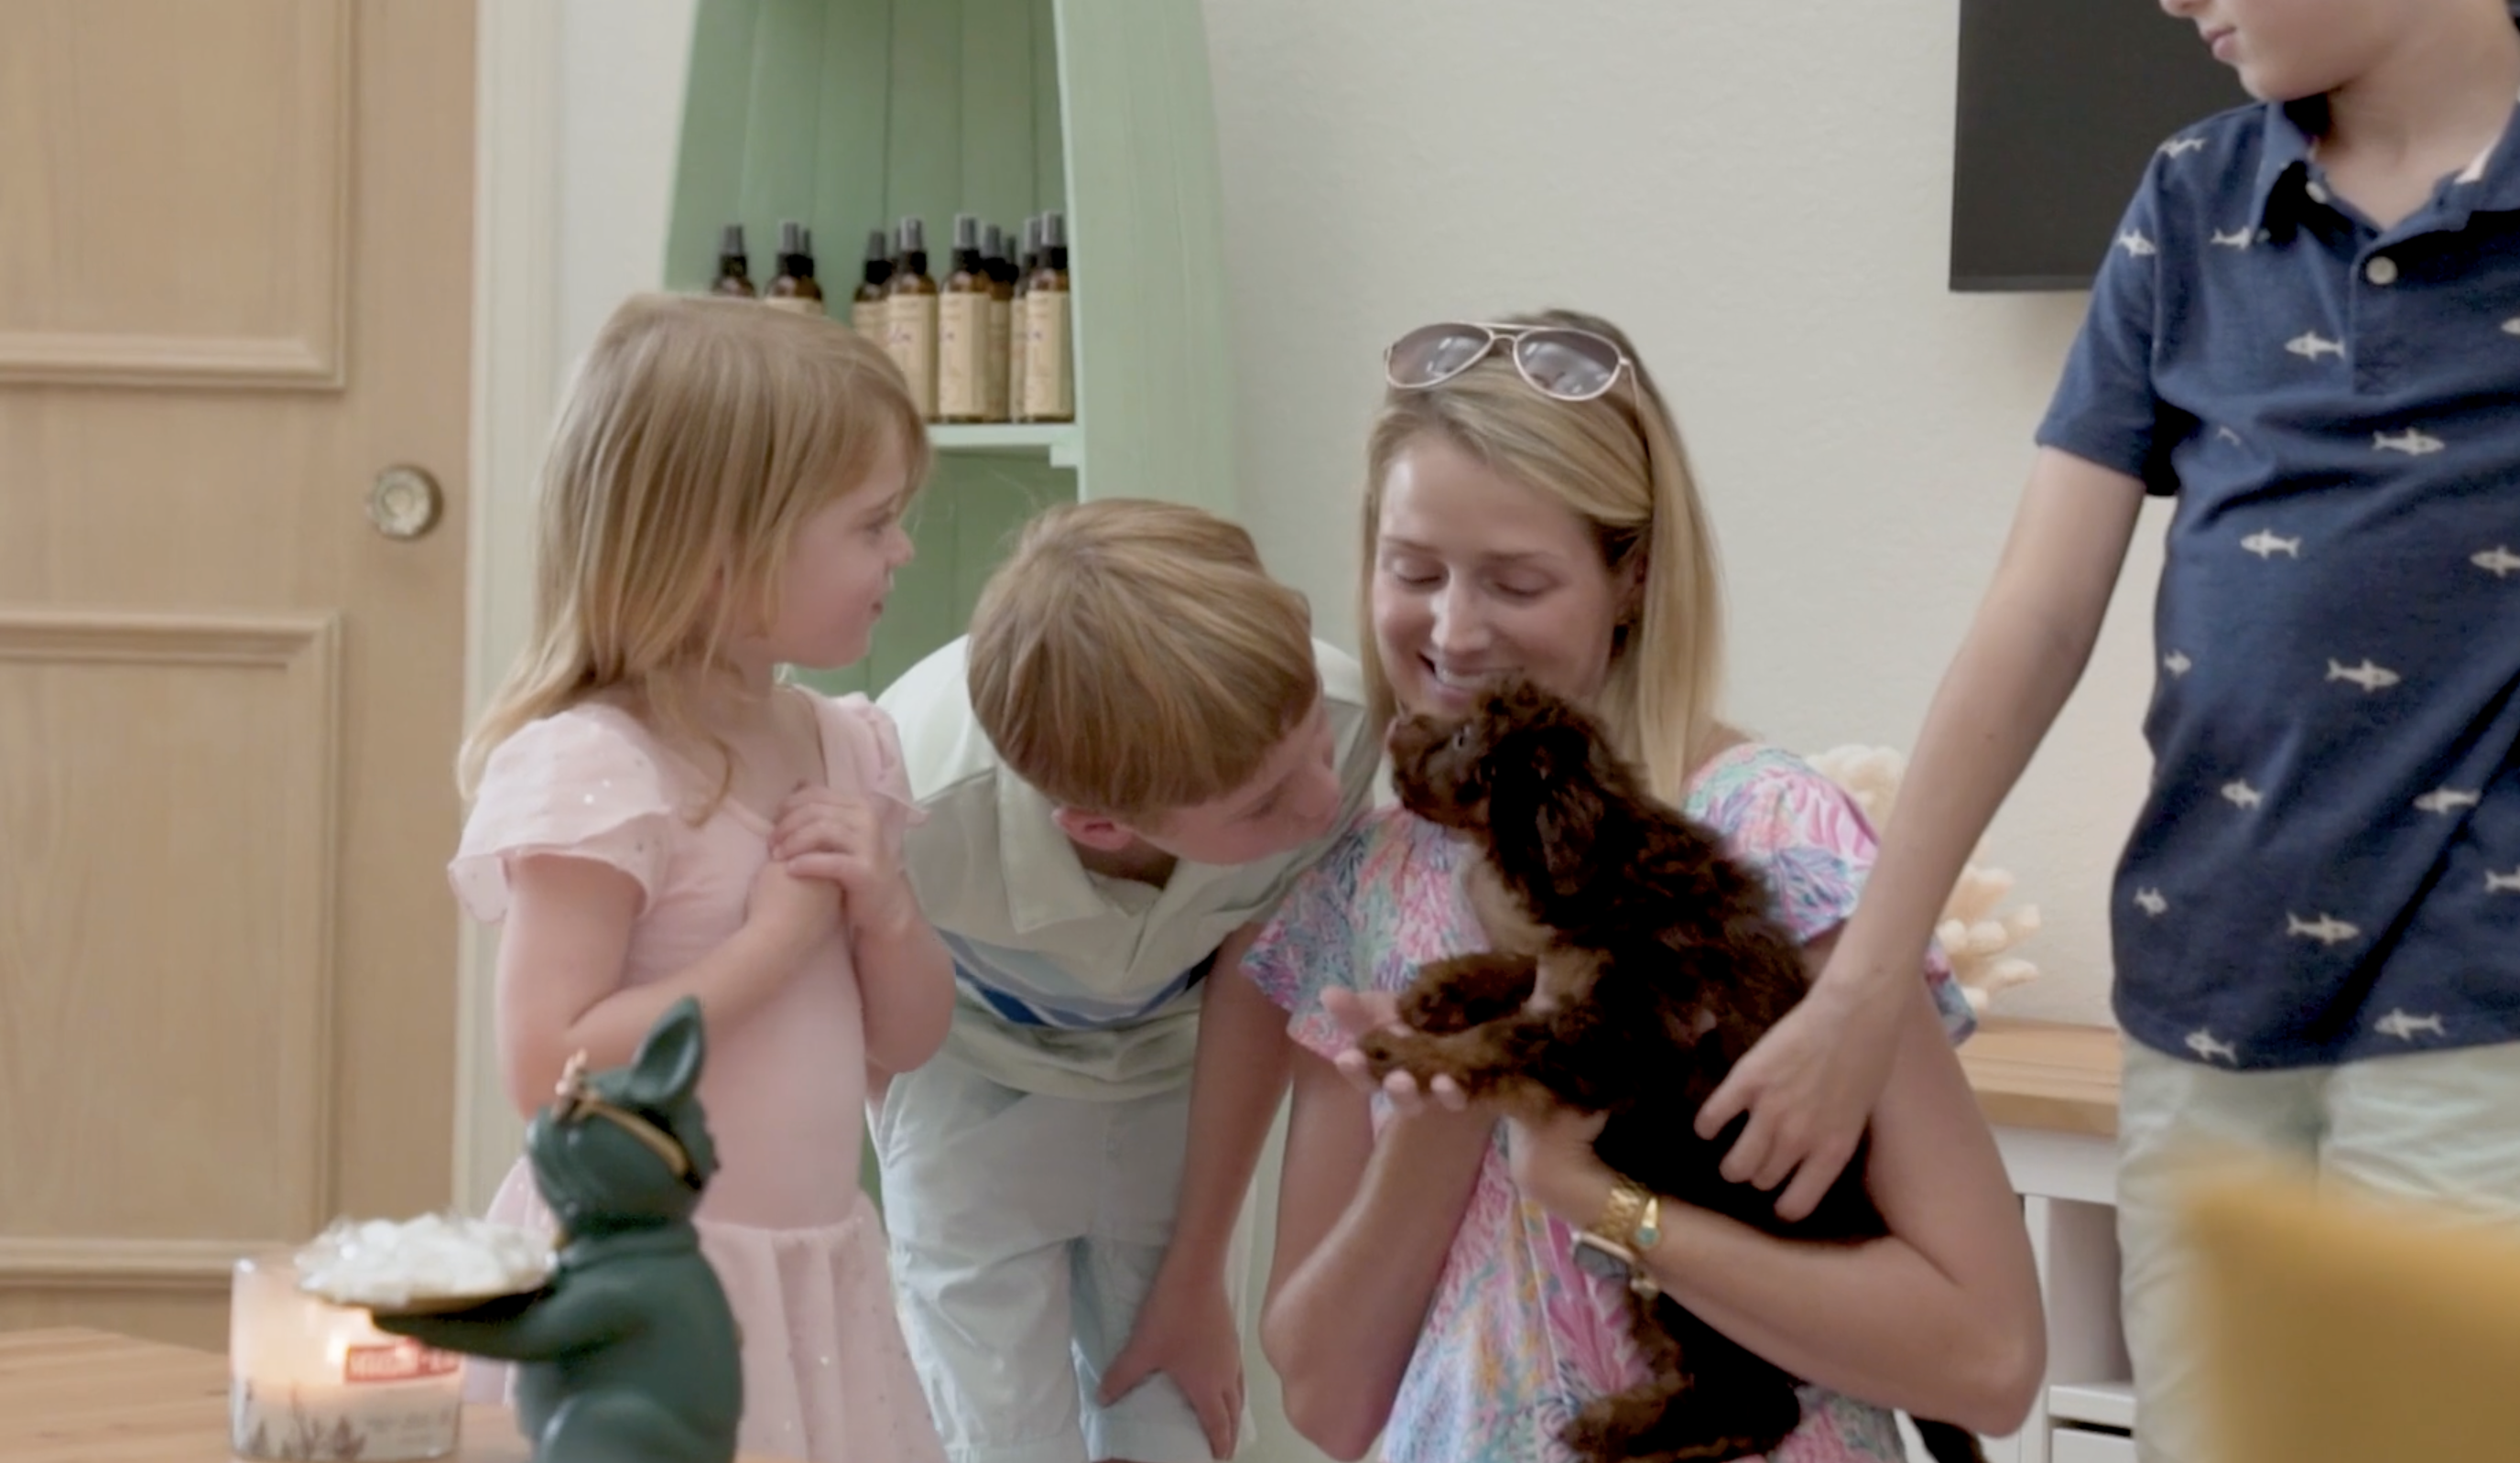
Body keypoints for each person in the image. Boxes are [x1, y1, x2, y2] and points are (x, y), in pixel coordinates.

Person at [1691, 3, 2520, 1458]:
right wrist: (1866, 982)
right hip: (2208, 991)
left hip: (2476, 1004)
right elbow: (2035, 615)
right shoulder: (2191, 202)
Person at [1248, 313, 2046, 1463]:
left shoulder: (1767, 843)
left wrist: (1599, 1197)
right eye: (1412, 569)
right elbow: (1326, 1400)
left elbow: (1988, 1359)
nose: (1452, 629)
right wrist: (1446, 1116)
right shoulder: (1366, 885)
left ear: (1632, 575)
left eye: (1516, 582)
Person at [449, 294, 955, 1463]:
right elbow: (548, 1067)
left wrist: (882, 907)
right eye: (873, 523)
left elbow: (912, 1041)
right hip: (649, 1278)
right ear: (724, 548)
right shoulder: (597, 768)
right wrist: (767, 948)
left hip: (814, 1278)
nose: (903, 551)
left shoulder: (848, 745)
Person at [871, 499, 1385, 1463]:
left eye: (1314, 743)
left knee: (1177, 1411)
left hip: (1183, 1061)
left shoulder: (1342, 722)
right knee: (995, 1428)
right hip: (967, 1064)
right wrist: (913, 1161)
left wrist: (1196, 1278)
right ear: (1100, 825)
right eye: (1265, 801)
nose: (1323, 798)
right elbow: (855, 1008)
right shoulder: (915, 800)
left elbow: (1258, 975)